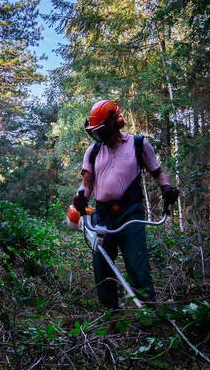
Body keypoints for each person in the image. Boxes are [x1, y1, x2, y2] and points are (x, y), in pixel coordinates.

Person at [73, 100, 179, 313]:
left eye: (102, 129)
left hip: (130, 213)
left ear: (116, 123)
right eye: (96, 131)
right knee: (102, 266)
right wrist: (81, 198)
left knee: (136, 263)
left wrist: (167, 188)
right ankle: (113, 313)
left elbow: (157, 173)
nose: (99, 134)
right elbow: (87, 184)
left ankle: (148, 312)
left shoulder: (138, 144)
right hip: (102, 215)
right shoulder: (93, 151)